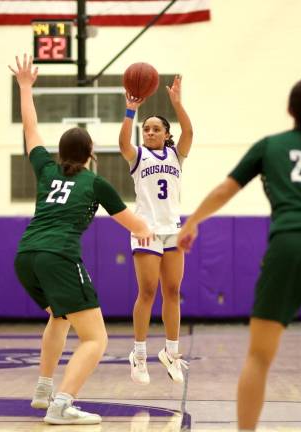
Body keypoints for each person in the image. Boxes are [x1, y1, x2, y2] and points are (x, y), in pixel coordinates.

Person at [177, 77, 301, 431]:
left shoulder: (269, 146)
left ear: (290, 110)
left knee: (258, 357)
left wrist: (192, 222)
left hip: (287, 244)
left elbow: (225, 189)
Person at [9, 54, 151, 425]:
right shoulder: (94, 183)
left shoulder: (45, 169)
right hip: (58, 256)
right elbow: (133, 224)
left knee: (59, 316)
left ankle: (43, 390)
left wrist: (25, 87)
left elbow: (30, 128)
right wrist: (151, 228)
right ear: (91, 154)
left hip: (26, 255)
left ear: (61, 152)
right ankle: (62, 404)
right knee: (96, 339)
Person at [119, 75, 193, 385]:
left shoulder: (177, 154)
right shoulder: (138, 156)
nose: (149, 132)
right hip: (146, 229)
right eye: (146, 129)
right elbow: (123, 143)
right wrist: (130, 112)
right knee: (148, 291)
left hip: (172, 228)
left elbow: (189, 131)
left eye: (155, 129)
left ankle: (171, 353)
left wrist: (177, 103)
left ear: (166, 134)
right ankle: (138, 354)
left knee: (173, 291)